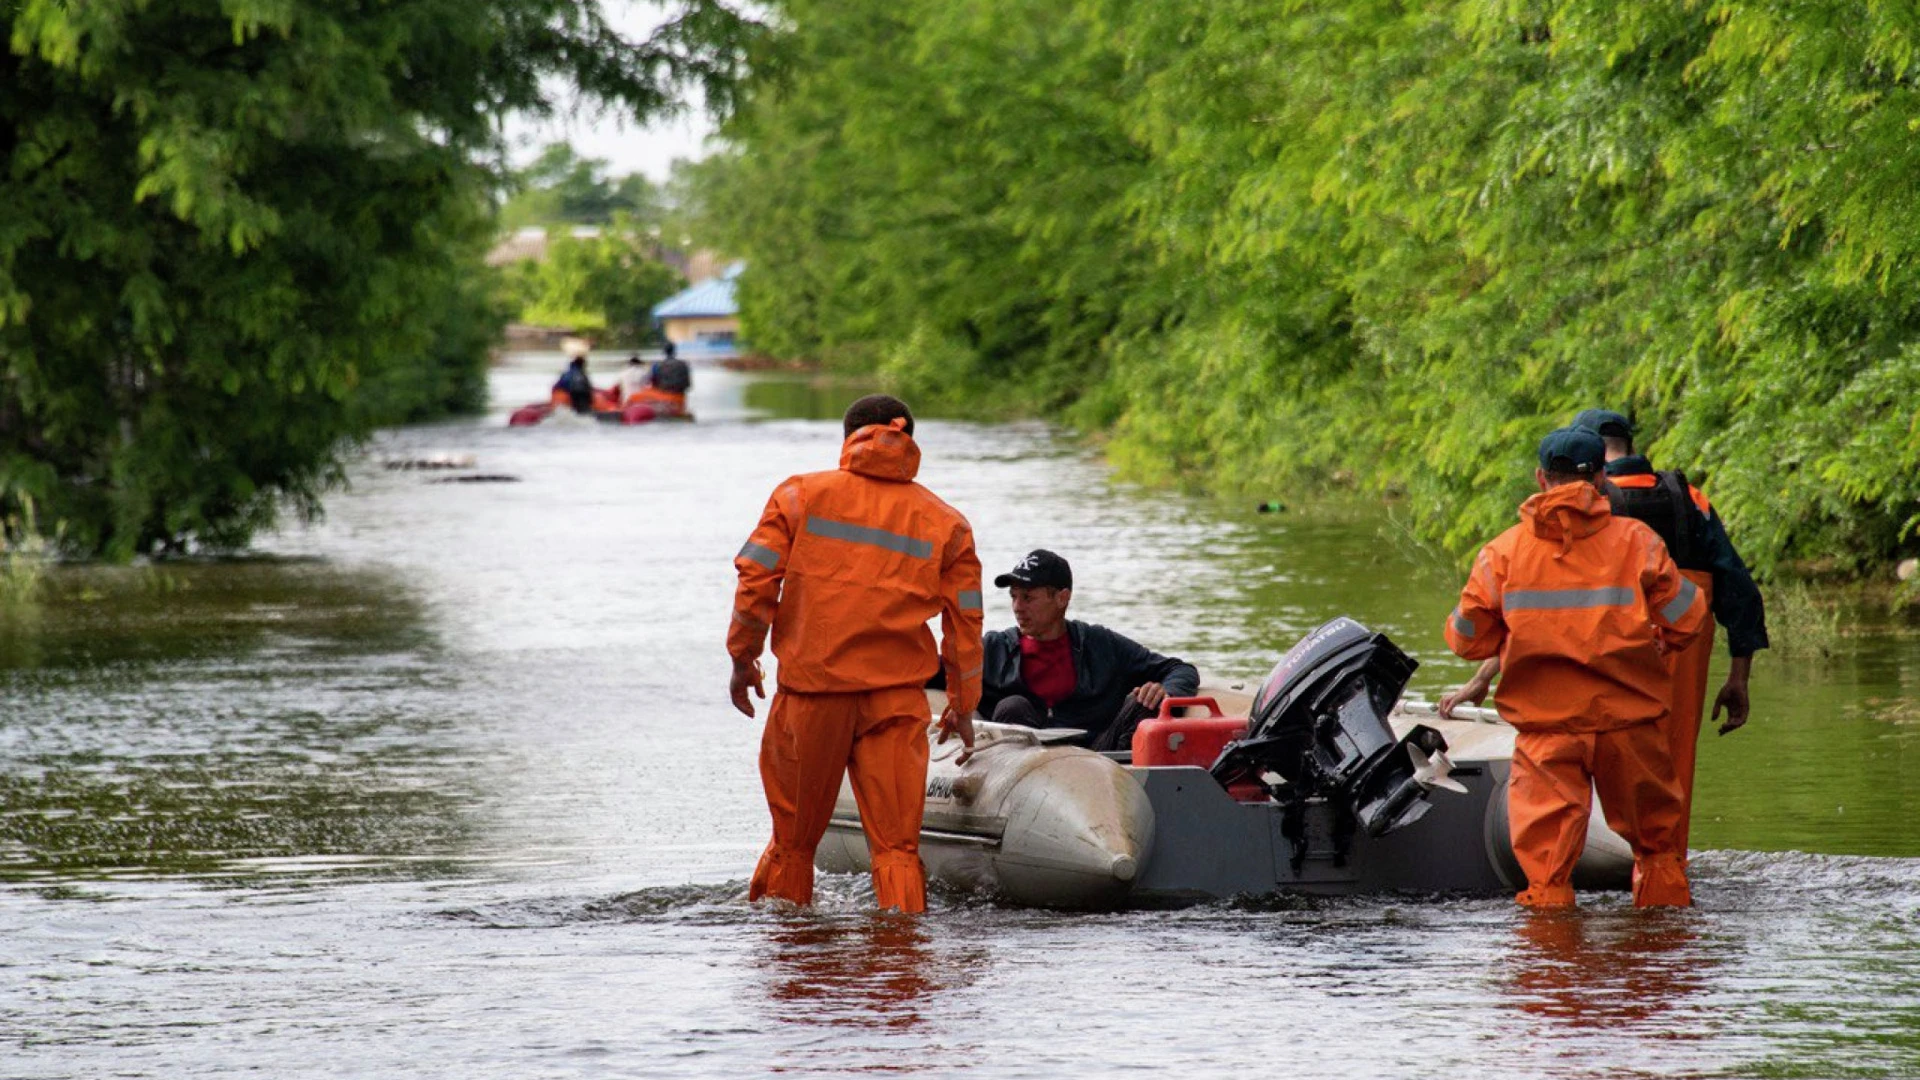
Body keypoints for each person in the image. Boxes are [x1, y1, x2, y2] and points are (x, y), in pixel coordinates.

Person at [1442, 408, 1768, 859]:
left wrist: (1482, 677)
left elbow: (1518, 622)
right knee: (1662, 818)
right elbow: (1728, 595)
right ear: (1604, 468)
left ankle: (1556, 908)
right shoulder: (1675, 509)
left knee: (1546, 851)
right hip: (1646, 686)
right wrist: (1734, 673)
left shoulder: (1515, 545)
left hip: (1555, 709)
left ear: (1543, 476)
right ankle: (1664, 886)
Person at [728, 394, 983, 913]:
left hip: (811, 697)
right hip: (895, 703)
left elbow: (755, 582)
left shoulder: (800, 495)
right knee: (897, 851)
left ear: (847, 438)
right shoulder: (947, 523)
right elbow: (966, 623)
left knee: (795, 847)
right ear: (910, 437)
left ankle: (793, 961)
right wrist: (962, 701)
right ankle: (904, 972)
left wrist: (743, 658)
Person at [976, 549, 1200, 752]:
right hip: (1023, 773)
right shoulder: (994, 648)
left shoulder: (1101, 644)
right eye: (1013, 597)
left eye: (1027, 597)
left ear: (1062, 598)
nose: (1017, 607)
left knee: (1142, 701)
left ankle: (1130, 788)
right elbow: (943, 671)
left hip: (1101, 763)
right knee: (1012, 706)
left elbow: (1181, 669)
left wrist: (1166, 692)